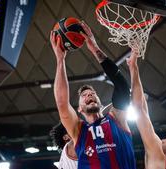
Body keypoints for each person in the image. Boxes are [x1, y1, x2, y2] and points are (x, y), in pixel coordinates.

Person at [50, 21, 136, 169]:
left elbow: (122, 86)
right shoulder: (78, 131)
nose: (89, 94)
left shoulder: (116, 119)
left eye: (92, 93)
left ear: (100, 103)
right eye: (84, 96)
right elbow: (62, 102)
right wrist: (60, 60)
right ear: (79, 109)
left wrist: (95, 49)